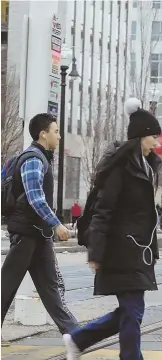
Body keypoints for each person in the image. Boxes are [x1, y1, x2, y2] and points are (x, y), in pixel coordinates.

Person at [63, 98, 161, 360]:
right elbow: (103, 211)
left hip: (137, 251)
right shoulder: (121, 168)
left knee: (131, 311)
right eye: (153, 137)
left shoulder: (147, 167)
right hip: (120, 249)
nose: (156, 142)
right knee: (132, 311)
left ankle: (78, 339)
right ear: (140, 137)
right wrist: (96, 252)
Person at [1, 113, 79, 334]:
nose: (59, 136)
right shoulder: (34, 159)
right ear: (43, 134)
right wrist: (56, 224)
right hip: (27, 234)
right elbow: (35, 197)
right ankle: (74, 333)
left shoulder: (39, 157)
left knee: (50, 289)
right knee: (6, 288)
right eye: (56, 131)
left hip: (37, 235)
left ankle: (74, 334)